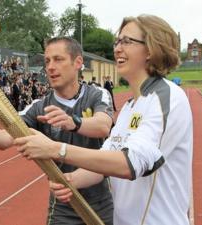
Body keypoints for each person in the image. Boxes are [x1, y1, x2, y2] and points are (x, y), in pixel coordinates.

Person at [14, 15, 192, 225]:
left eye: (126, 41)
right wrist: (71, 180)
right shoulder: (129, 108)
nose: (117, 48)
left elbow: (130, 163)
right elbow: (104, 160)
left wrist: (55, 149)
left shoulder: (167, 96)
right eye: (117, 41)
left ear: (151, 49)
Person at [0, 37, 114, 224]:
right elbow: (6, 138)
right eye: (47, 61)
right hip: (63, 205)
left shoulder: (97, 94)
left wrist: (73, 122)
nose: (50, 67)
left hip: (101, 202)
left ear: (78, 62)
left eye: (58, 59)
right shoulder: (39, 106)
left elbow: (103, 126)